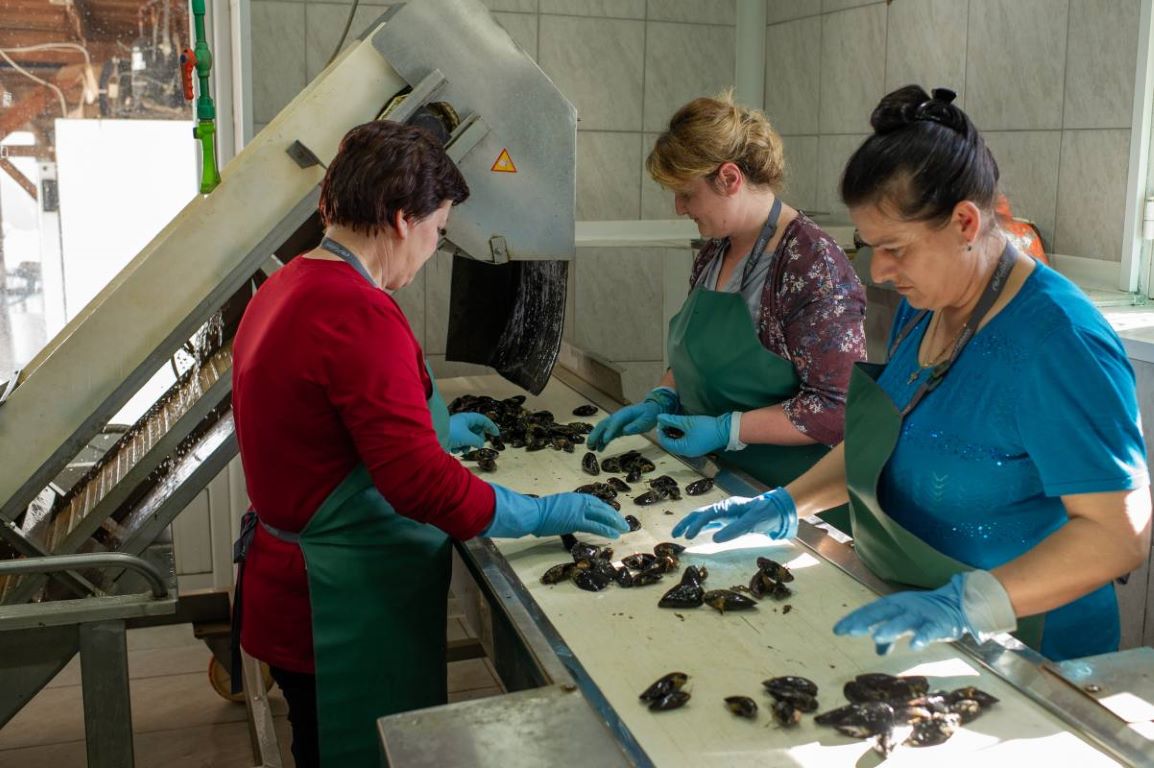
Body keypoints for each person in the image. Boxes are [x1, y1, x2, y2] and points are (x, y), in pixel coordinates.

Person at [672, 85, 1152, 662]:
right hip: (919, 617)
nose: (878, 270)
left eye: (896, 248)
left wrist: (970, 604)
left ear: (965, 222)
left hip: (1028, 645)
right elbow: (883, 444)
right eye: (869, 245)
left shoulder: (1061, 343)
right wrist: (786, 503)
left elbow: (1119, 535)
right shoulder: (924, 307)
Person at [231, 120, 628, 767]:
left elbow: (329, 424)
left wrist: (435, 427)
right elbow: (417, 483)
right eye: (438, 231)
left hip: (291, 581)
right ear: (400, 219)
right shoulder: (358, 311)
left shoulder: (287, 284)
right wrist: (535, 512)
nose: (432, 249)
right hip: (340, 604)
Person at [587, 91, 867, 531]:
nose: (679, 207)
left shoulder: (811, 264)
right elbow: (702, 352)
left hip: (793, 505)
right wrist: (663, 395)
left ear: (730, 178)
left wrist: (727, 430)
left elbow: (836, 408)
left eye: (686, 194)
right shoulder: (714, 251)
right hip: (718, 481)